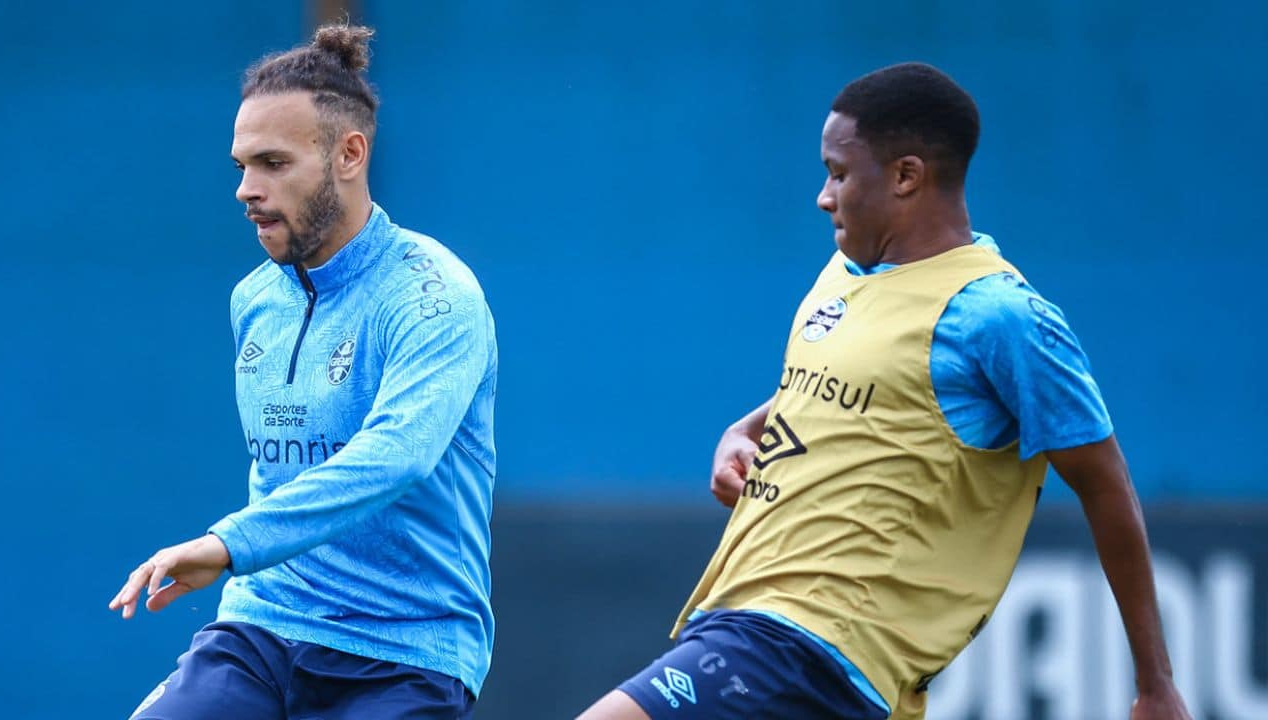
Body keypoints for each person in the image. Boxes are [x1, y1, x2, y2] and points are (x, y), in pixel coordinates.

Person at [578, 63, 1191, 720]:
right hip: (776, 641)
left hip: (806, 645)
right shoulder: (846, 272)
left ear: (905, 176)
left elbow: (1105, 483)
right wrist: (746, 428)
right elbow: (848, 388)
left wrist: (1155, 684)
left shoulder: (1000, 316)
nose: (823, 195)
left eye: (839, 173)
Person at [108, 24, 496, 720]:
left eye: (273, 164)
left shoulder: (435, 295)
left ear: (350, 154)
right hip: (262, 625)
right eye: (241, 167)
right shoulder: (254, 300)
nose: (246, 190)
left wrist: (229, 544)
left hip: (402, 650)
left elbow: (395, 457)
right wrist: (244, 563)